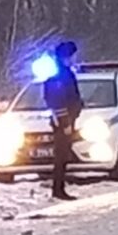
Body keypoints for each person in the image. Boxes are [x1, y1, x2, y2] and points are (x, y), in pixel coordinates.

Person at [42, 41, 84, 200]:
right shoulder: (59, 75)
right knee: (61, 156)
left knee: (63, 155)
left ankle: (59, 188)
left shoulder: (64, 72)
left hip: (66, 120)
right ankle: (58, 189)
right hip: (62, 122)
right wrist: (65, 122)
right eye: (72, 55)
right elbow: (56, 100)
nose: (73, 58)